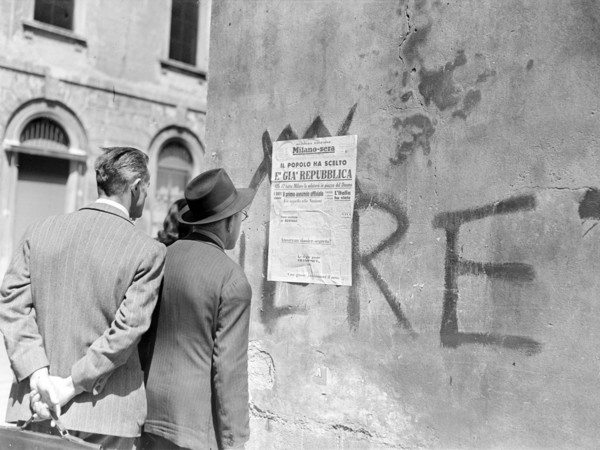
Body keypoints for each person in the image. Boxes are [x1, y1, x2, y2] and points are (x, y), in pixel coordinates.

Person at [0, 146, 167, 449]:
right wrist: (69, 385)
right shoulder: (148, 251)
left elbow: (11, 303)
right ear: (136, 187)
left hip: (35, 406)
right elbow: (127, 331)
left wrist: (38, 374)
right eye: (148, 187)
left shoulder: (38, 231)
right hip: (105, 415)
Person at [141, 168, 255, 450]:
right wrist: (234, 440)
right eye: (240, 217)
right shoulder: (232, 279)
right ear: (228, 222)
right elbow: (229, 369)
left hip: (148, 411)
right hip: (195, 428)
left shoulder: (161, 257)